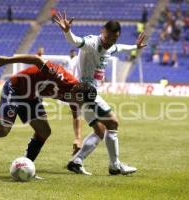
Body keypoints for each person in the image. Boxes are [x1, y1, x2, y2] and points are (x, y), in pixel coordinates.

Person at [0, 54, 97, 166]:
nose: (77, 102)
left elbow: (77, 115)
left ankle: (26, 165)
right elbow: (37, 60)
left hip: (31, 96)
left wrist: (77, 138)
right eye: (79, 99)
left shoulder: (75, 96)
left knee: (44, 131)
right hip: (15, 88)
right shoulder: (61, 77)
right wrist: (6, 61)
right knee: (3, 130)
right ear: (77, 89)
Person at [54, 12, 146, 175]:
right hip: (85, 91)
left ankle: (77, 161)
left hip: (86, 94)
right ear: (102, 32)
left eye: (114, 39)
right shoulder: (91, 43)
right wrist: (67, 31)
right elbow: (75, 41)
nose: (111, 42)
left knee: (100, 130)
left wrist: (135, 47)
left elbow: (121, 47)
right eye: (108, 38)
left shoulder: (110, 47)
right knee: (113, 123)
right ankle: (115, 165)